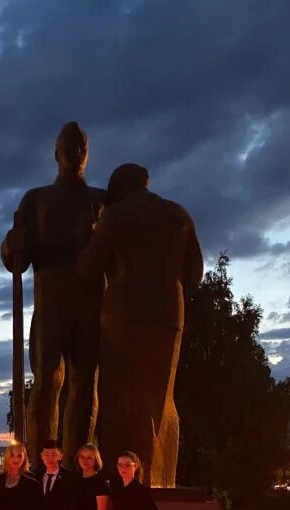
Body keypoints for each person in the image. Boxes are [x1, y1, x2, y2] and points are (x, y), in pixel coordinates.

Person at [77, 163, 203, 487]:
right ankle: (159, 479)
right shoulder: (179, 215)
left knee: (120, 400)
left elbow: (87, 268)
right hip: (167, 316)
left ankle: (126, 480)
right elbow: (195, 275)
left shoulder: (115, 216)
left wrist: (94, 227)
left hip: (123, 317)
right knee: (160, 400)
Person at [1, 121, 105, 464]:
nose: (76, 153)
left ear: (86, 155)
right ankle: (41, 463)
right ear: (56, 153)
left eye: (82, 148)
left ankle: (79, 464)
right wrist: (10, 245)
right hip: (51, 305)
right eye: (70, 146)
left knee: (86, 381)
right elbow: (19, 258)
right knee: (46, 381)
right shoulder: (37, 200)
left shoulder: (101, 203)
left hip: (91, 305)